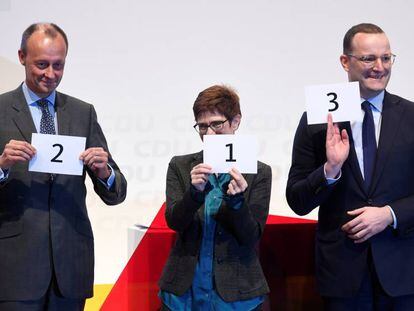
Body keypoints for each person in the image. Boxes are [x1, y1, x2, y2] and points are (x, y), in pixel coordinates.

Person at [286, 23, 414, 310]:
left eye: (386, 57)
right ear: (345, 62)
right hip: (343, 275)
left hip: (404, 274)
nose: (379, 67)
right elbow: (297, 200)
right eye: (369, 58)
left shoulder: (411, 116)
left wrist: (389, 214)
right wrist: (329, 171)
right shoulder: (318, 119)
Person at [0, 23, 127, 310]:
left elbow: (116, 193)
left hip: (70, 268)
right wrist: (2, 166)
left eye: (59, 65)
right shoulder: (1, 109)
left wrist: (104, 172)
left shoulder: (83, 113)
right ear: (21, 57)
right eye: (42, 64)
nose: (51, 74)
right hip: (14, 270)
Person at [158, 85, 272, 310]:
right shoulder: (181, 166)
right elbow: (175, 221)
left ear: (235, 121)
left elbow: (251, 236)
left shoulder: (259, 171)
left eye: (217, 124)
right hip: (184, 292)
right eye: (202, 126)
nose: (209, 134)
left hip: (237, 294)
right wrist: (194, 193)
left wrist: (237, 202)